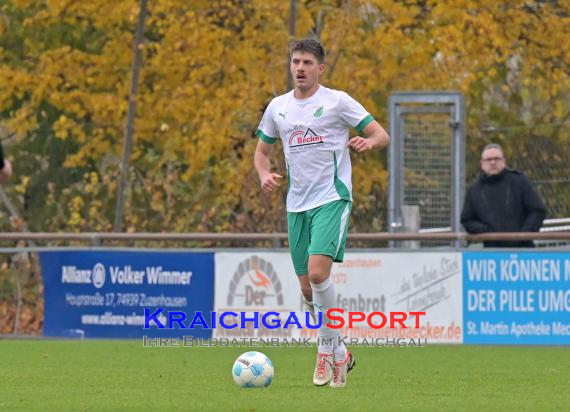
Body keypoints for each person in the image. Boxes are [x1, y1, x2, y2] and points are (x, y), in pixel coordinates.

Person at [253, 38, 390, 388]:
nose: (300, 68)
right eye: (295, 61)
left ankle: (326, 347)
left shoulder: (336, 102)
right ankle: (342, 350)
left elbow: (381, 135)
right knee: (307, 290)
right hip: (296, 205)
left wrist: (367, 142)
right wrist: (264, 174)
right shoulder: (277, 107)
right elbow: (262, 153)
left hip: (332, 198)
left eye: (307, 63)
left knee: (317, 274)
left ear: (321, 68)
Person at [461, 143, 546, 247]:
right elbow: (467, 220)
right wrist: (488, 232)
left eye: (497, 159)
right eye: (488, 159)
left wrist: (524, 234)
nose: (493, 162)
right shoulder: (474, 190)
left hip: (523, 250)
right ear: (482, 164)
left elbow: (537, 210)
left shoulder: (519, 181)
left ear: (504, 161)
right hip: (492, 253)